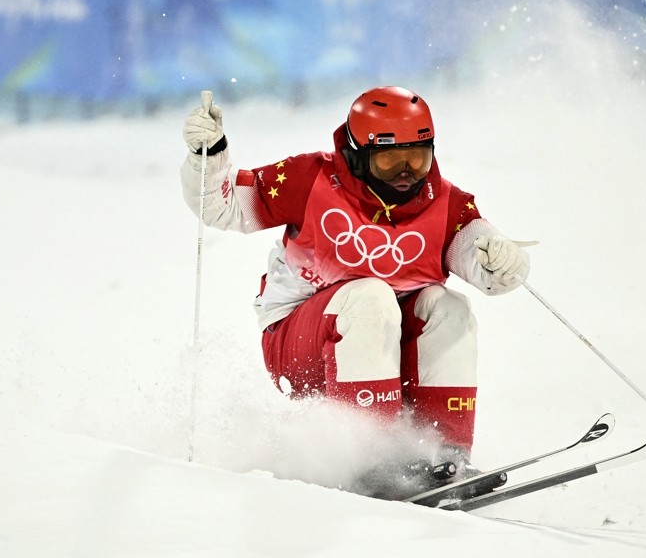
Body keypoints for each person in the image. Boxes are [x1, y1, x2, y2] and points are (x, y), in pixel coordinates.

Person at [180, 86, 530, 493]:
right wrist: (209, 156)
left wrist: (509, 263)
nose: (405, 176)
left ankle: (445, 458)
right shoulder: (309, 179)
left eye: (417, 160)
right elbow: (225, 208)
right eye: (388, 162)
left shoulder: (446, 204)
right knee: (369, 296)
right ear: (356, 156)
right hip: (300, 342)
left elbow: (491, 271)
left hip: (386, 351)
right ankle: (373, 460)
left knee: (449, 306)